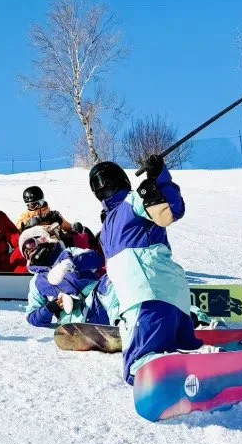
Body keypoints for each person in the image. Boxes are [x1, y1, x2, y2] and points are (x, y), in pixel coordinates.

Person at [89, 155, 202, 384]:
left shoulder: (132, 203)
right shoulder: (108, 226)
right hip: (169, 296)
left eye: (104, 180)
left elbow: (171, 209)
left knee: (140, 371)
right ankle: (217, 362)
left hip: (145, 297)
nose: (102, 186)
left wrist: (158, 178)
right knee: (182, 349)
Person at [19, 225, 110, 327]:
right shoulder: (37, 282)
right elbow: (32, 317)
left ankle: (123, 323)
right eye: (25, 253)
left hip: (97, 301)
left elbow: (96, 258)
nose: (29, 252)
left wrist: (72, 264)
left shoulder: (69, 253)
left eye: (29, 244)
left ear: (42, 238)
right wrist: (51, 307)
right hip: (75, 318)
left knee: (110, 281)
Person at [16, 186, 104, 261]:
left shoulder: (53, 215)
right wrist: (28, 224)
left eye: (36, 204)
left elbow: (67, 227)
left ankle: (98, 253)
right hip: (38, 247)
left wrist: (74, 227)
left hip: (58, 242)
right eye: (30, 205)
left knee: (84, 231)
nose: (33, 208)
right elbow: (18, 228)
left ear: (42, 201)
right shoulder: (26, 217)